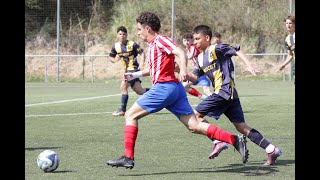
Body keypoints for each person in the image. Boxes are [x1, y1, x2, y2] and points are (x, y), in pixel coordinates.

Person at [106, 11, 249, 169]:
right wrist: (135, 74)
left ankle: (128, 157)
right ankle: (235, 140)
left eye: (139, 29)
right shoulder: (153, 45)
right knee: (194, 126)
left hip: (164, 88)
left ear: (147, 28)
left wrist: (182, 69)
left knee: (130, 114)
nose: (138, 32)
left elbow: (180, 52)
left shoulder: (160, 40)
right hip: (175, 91)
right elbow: (152, 69)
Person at [188, 25, 282, 166]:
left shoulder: (216, 48)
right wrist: (178, 72)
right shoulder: (200, 58)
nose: (195, 42)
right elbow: (193, 77)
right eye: (193, 39)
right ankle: (271, 149)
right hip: (229, 95)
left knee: (195, 117)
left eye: (197, 39)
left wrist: (249, 65)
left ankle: (218, 141)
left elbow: (236, 50)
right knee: (241, 127)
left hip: (223, 92)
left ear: (207, 38)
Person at [108, 26, 150, 116]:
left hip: (133, 69)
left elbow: (142, 53)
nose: (122, 36)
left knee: (123, 87)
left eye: (124, 34)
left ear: (126, 35)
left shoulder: (132, 44)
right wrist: (115, 60)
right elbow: (111, 57)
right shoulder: (115, 46)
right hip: (127, 70)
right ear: (117, 35)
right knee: (140, 91)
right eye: (120, 34)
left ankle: (122, 110)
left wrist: (142, 63)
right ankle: (157, 92)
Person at [180, 33, 211, 100]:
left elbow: (190, 56)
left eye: (188, 40)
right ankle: (201, 96)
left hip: (201, 72)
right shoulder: (187, 48)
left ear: (192, 41)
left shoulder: (193, 47)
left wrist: (181, 56)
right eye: (185, 40)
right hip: (197, 72)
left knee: (207, 91)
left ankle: (219, 102)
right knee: (184, 86)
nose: (187, 42)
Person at [279, 15, 295, 82]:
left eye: (290, 23)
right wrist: (284, 64)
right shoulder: (288, 39)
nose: (288, 25)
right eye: (287, 23)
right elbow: (291, 54)